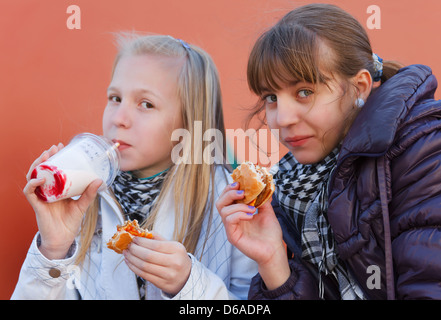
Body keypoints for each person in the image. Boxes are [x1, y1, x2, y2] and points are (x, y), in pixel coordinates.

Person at [216, 4, 441, 300]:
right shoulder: (290, 188)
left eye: (305, 92)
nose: (283, 118)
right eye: (272, 97)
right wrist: (273, 263)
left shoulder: (425, 153)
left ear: (359, 87)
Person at [12, 34, 257, 300]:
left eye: (146, 104)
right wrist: (53, 251)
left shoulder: (232, 202)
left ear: (189, 122)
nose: (119, 118)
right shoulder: (80, 198)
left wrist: (189, 286)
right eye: (115, 98)